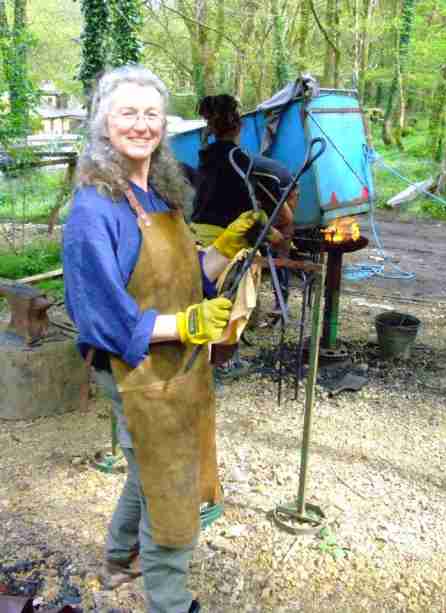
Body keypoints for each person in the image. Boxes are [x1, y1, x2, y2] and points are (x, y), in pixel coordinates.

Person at [62, 65, 265, 613]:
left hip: (178, 362)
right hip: (137, 372)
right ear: (103, 122)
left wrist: (221, 249)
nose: (141, 124)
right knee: (169, 481)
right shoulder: (94, 209)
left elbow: (184, 279)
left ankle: (115, 558)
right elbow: (102, 315)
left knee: (145, 465)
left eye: (151, 114)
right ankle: (171, 601)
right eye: (128, 112)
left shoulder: (158, 196)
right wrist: (188, 325)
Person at [191, 93, 298, 317]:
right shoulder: (239, 159)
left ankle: (278, 303)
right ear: (239, 126)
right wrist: (276, 236)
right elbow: (251, 215)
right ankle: (280, 302)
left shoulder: (205, 157)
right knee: (281, 236)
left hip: (196, 241)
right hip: (225, 246)